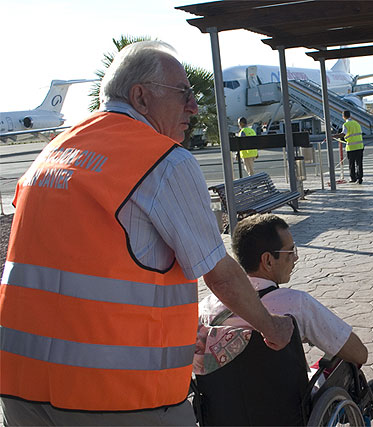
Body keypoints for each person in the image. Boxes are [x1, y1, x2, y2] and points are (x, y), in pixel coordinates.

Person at [0, 41, 292, 426]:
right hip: (116, 395)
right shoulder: (163, 160)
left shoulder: (54, 152)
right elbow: (219, 273)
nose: (194, 106)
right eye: (183, 94)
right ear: (140, 96)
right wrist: (272, 327)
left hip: (20, 386)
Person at [196, 213, 368, 369]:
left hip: (223, 401)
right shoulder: (297, 305)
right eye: (290, 251)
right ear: (268, 261)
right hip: (290, 401)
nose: (296, 257)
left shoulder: (205, 309)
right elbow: (360, 354)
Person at [334, 110, 364, 184]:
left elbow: (343, 134)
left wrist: (333, 136)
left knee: (352, 164)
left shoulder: (346, 125)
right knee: (359, 163)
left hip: (351, 147)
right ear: (350, 115)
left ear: (343, 116)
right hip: (360, 146)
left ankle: (353, 178)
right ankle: (360, 178)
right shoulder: (356, 123)